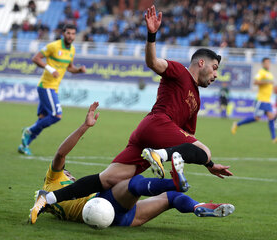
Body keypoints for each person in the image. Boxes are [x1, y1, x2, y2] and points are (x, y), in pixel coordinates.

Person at [30, 5, 233, 220]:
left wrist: (207, 165)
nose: (216, 74)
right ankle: (161, 155)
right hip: (157, 125)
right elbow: (153, 62)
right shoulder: (179, 71)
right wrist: (151, 35)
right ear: (201, 63)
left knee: (108, 178)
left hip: (148, 134)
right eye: (215, 67)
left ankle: (48, 198)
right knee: (204, 152)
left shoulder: (196, 100)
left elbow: (186, 138)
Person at [29, 102, 235, 226]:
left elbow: (41, 201)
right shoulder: (52, 180)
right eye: (68, 173)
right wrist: (84, 127)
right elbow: (60, 154)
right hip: (105, 202)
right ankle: (175, 183)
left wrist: (42, 203)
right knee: (131, 181)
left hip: (119, 220)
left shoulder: (50, 206)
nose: (70, 175)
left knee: (171, 199)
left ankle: (197, 206)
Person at [18, 24, 86, 155]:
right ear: (63, 33)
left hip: (54, 89)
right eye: (68, 33)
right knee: (56, 115)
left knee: (43, 119)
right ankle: (29, 130)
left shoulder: (72, 50)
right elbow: (35, 58)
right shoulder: (53, 46)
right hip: (46, 86)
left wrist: (79, 70)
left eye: (73, 34)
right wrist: (50, 69)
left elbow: (69, 67)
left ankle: (24, 145)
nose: (71, 36)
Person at [231, 57, 276, 143]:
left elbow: (270, 86)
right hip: (261, 100)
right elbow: (255, 82)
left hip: (268, 100)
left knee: (271, 117)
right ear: (263, 64)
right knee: (257, 118)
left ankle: (274, 138)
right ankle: (237, 124)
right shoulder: (261, 72)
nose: (268, 64)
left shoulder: (269, 74)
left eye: (269, 63)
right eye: (266, 63)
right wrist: (266, 82)